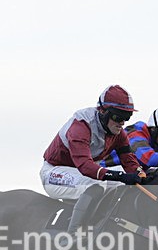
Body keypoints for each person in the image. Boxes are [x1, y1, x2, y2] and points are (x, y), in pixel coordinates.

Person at [40, 85, 145, 239]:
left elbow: (129, 161)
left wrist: (141, 175)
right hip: (54, 172)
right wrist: (120, 176)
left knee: (121, 184)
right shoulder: (81, 126)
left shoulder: (119, 134)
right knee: (95, 185)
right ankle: (73, 234)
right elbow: (85, 166)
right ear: (103, 112)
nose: (122, 123)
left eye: (126, 117)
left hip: (81, 174)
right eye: (118, 117)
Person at [98, 107, 158, 171]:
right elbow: (149, 159)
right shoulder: (136, 135)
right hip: (109, 169)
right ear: (153, 130)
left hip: (131, 169)